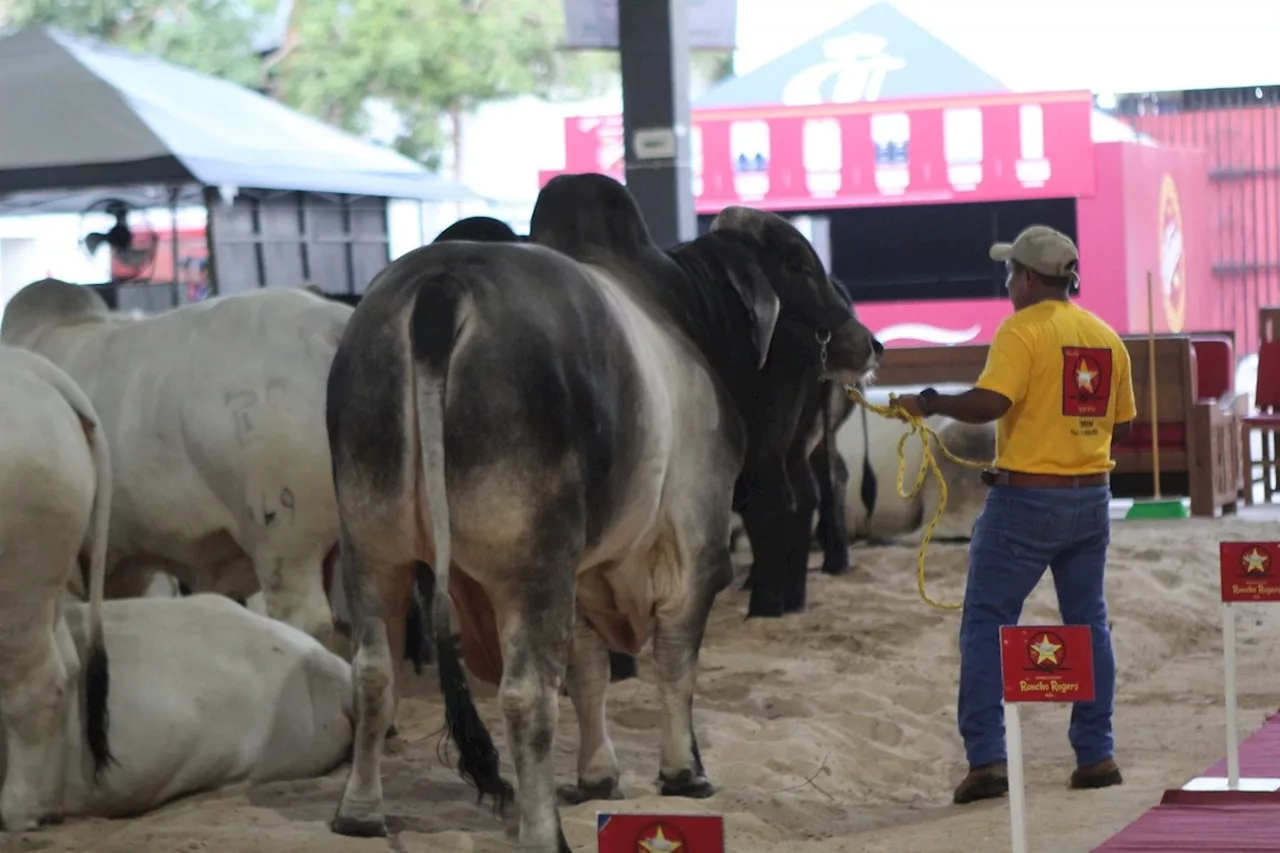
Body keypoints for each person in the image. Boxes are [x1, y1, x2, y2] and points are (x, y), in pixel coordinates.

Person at [894, 225, 1136, 805]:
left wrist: (930, 403)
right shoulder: (1105, 336)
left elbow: (992, 403)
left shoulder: (1021, 330)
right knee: (1088, 623)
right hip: (1091, 499)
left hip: (1027, 501)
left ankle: (987, 762)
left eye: (1010, 274)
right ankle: (1096, 754)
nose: (1007, 283)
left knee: (986, 623)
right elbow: (1120, 423)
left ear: (1029, 277)